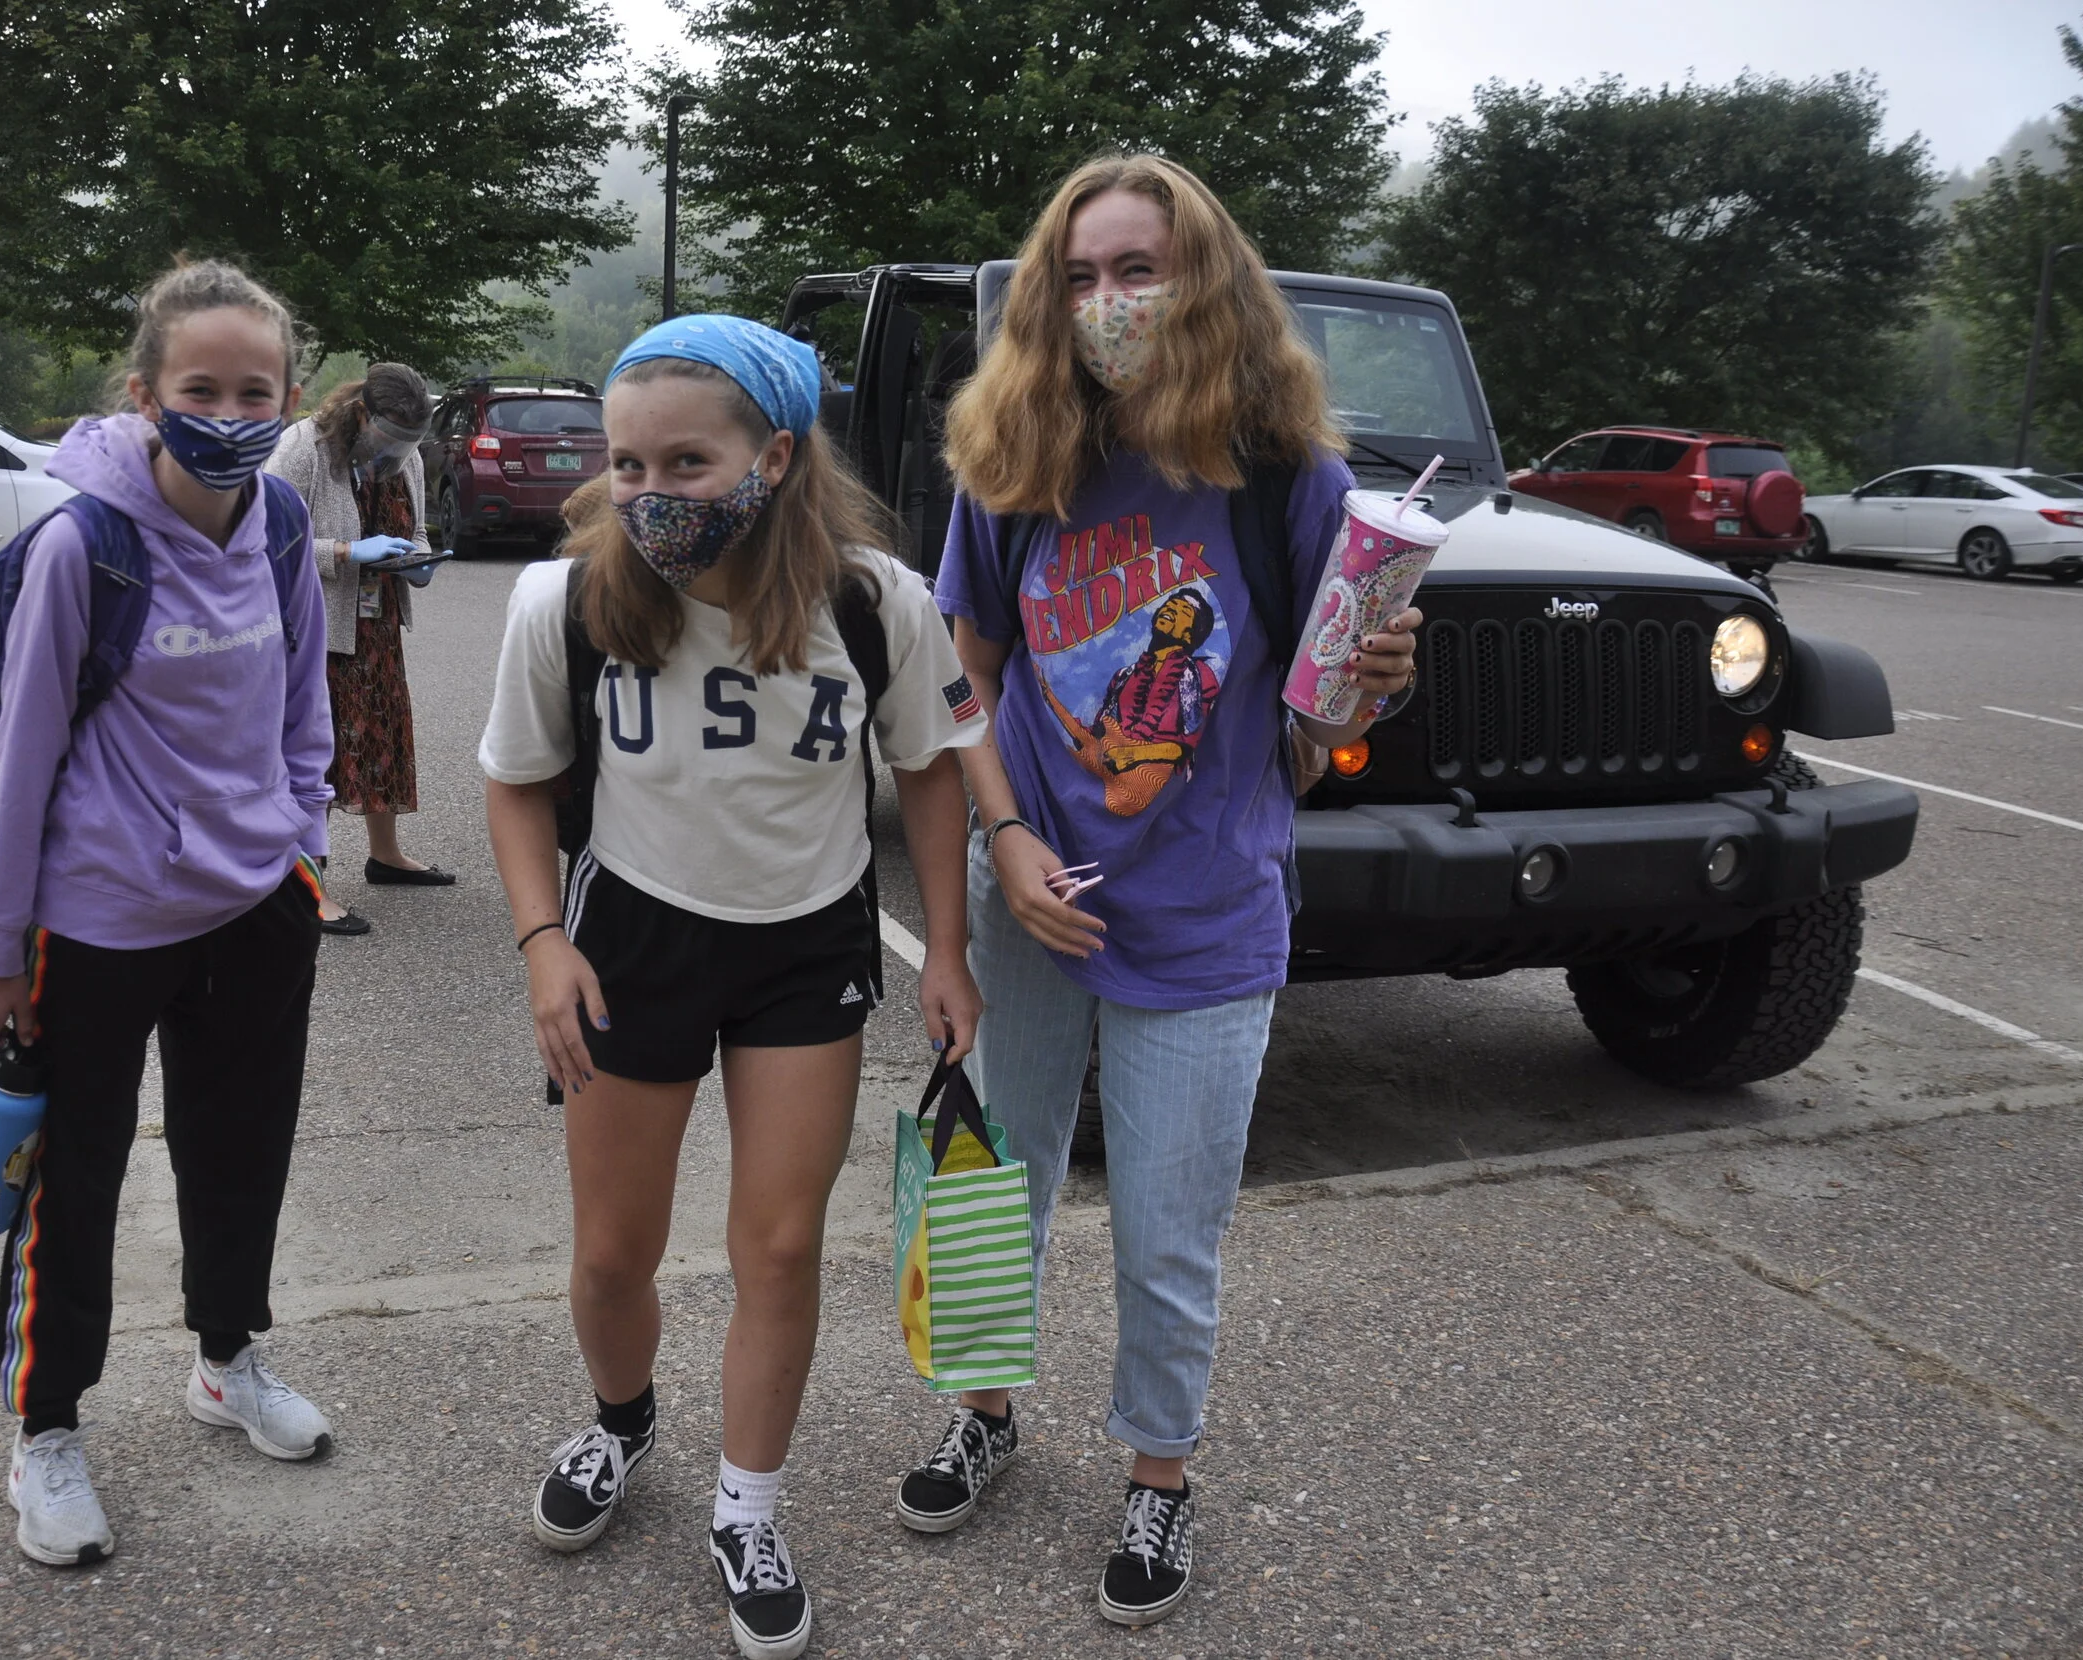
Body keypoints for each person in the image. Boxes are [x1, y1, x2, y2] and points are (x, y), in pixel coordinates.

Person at [906, 155, 1422, 1627]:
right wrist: (1006, 843)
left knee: (1168, 1226)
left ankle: (1157, 1481)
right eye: (1078, 279)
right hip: (1038, 907)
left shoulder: (1289, 481)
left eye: (1138, 271)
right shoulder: (1014, 460)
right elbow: (967, 686)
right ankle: (987, 1416)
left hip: (1207, 915)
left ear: (1206, 283)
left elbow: (1329, 716)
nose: (1108, 304)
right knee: (992, 1188)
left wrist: (1378, 672)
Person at [479, 314, 986, 1660]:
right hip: (629, 942)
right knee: (611, 1255)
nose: (648, 495)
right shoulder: (568, 599)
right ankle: (621, 1419)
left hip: (803, 947)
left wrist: (944, 946)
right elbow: (517, 784)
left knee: (779, 1247)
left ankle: (748, 1507)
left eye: (685, 465)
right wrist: (544, 944)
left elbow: (932, 768)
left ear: (774, 454)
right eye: (628, 466)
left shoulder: (876, 602)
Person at [0, 258, 338, 1569]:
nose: (227, 411)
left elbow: (304, 705)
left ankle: (230, 1360)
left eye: (254, 390)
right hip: (101, 917)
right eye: (200, 388)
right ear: (146, 395)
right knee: (74, 1182)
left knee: (241, 1152)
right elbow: (20, 764)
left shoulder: (281, 525)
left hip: (254, 911)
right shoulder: (87, 547)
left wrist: (303, 841)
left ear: (289, 399)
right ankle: (46, 1430)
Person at [265, 362, 448, 937]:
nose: (399, 452)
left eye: (410, 442)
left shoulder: (408, 455)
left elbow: (415, 527)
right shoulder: (304, 448)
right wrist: (345, 552)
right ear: (362, 413)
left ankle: (385, 856)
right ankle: (308, 886)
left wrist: (418, 560)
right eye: (391, 438)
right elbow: (264, 540)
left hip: (376, 624)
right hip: (318, 625)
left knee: (383, 732)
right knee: (317, 746)